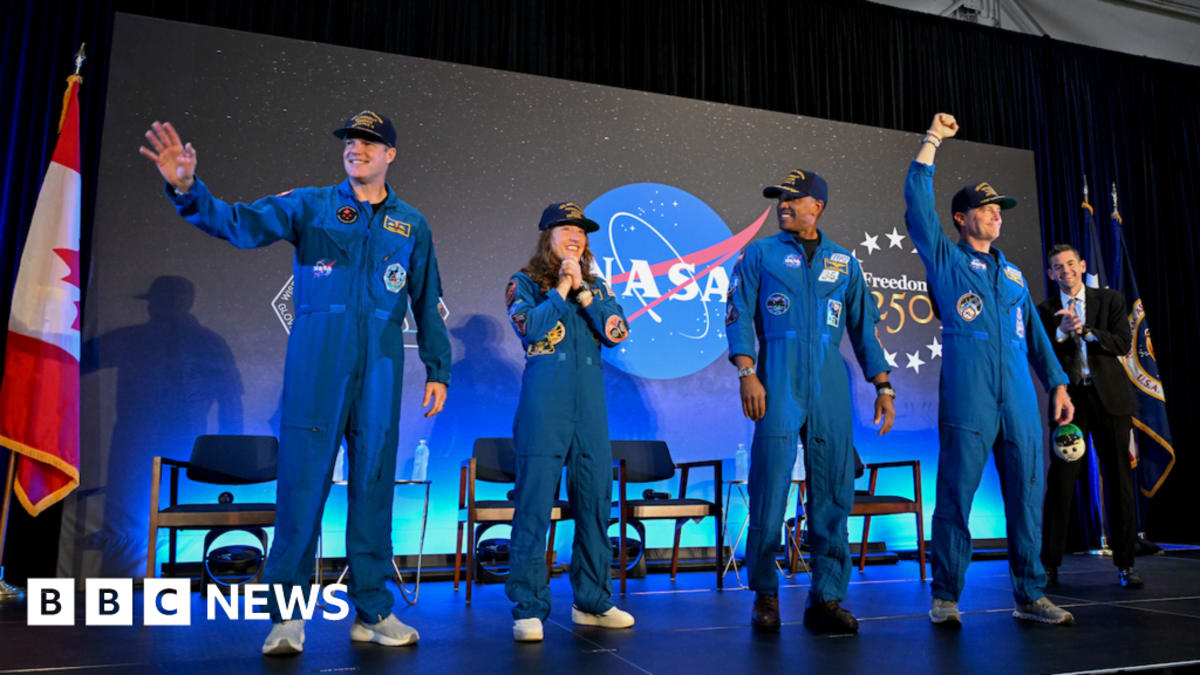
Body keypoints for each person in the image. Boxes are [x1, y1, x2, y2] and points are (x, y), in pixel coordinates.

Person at [139, 111, 451, 655]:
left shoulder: (412, 224)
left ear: (390, 155)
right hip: (318, 362)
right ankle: (287, 616)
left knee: (374, 487)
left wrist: (438, 369)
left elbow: (426, 301)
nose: (356, 149)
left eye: (369, 142)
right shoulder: (311, 204)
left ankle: (373, 610)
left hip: (381, 366)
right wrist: (189, 190)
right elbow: (241, 224)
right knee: (302, 488)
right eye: (350, 141)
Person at [904, 113, 1076, 627]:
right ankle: (945, 597)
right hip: (970, 396)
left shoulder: (1014, 273)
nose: (997, 214)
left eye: (1000, 209)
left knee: (1026, 497)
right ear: (961, 218)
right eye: (986, 208)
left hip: (1019, 396)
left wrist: (1057, 383)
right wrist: (933, 140)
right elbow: (917, 204)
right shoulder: (946, 259)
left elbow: (1036, 336)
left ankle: (1030, 595)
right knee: (956, 495)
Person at [726, 169, 895, 634]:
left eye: (793, 198)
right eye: (779, 198)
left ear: (816, 206)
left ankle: (826, 598)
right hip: (777, 377)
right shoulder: (759, 253)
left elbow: (864, 329)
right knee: (769, 489)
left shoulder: (845, 262)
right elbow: (737, 314)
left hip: (829, 382)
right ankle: (765, 594)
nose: (783, 204)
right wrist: (747, 372)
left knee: (834, 494)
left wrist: (883, 387)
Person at [504, 202, 635, 642]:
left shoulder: (596, 287)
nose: (576, 237)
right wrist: (561, 288)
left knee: (595, 505)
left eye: (581, 231)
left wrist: (583, 291)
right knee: (534, 506)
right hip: (545, 405)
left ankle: (592, 601)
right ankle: (528, 608)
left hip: (590, 408)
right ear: (548, 236)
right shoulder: (524, 282)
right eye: (566, 229)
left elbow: (617, 332)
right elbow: (530, 328)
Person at [1039, 244, 1143, 589]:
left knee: (1119, 481)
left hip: (1111, 402)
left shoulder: (1109, 300)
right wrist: (1061, 331)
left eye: (1070, 263)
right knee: (1062, 481)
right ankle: (1049, 563)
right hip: (1070, 403)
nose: (1065, 270)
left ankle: (1126, 564)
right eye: (1058, 266)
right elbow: (1040, 353)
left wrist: (1084, 330)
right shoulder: (1045, 310)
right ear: (1051, 273)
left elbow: (1122, 343)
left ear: (1082, 265)